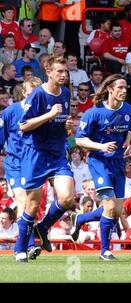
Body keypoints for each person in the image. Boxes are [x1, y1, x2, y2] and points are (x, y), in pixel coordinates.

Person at [15, 55, 75, 263]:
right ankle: (20, 248)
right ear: (48, 72)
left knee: (67, 198)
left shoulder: (66, 93)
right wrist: (49, 115)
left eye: (65, 71)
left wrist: (67, 127)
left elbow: (62, 124)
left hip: (57, 153)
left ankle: (43, 227)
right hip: (36, 154)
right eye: (59, 71)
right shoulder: (38, 95)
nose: (63, 75)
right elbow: (23, 126)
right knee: (32, 205)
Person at [73, 74, 131, 261]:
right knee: (108, 205)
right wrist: (101, 146)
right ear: (110, 89)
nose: (124, 91)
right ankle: (105, 251)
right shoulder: (94, 112)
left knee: (116, 211)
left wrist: (128, 142)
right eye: (120, 88)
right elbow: (79, 139)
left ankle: (81, 219)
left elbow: (129, 129)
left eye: (125, 88)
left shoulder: (127, 110)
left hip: (118, 161)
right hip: (99, 161)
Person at [0, 76, 43, 259]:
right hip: (15, 162)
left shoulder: (43, 113)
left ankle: (25, 244)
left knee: (32, 205)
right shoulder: (10, 111)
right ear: (24, 93)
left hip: (35, 163)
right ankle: (26, 246)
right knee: (22, 200)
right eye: (31, 92)